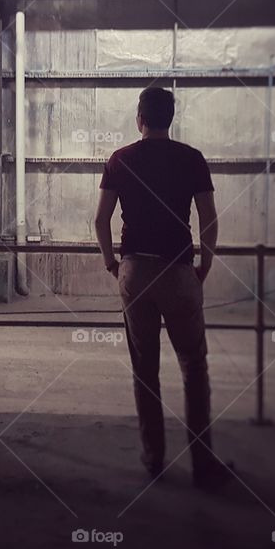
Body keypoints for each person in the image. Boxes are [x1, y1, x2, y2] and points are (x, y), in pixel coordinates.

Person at [94, 86, 232, 491]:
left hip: (135, 273)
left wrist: (111, 264)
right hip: (178, 272)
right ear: (170, 119)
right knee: (194, 367)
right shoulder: (192, 159)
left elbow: (101, 220)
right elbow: (208, 218)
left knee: (145, 371)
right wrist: (203, 265)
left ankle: (154, 459)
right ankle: (203, 466)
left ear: (140, 119)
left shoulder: (120, 160)